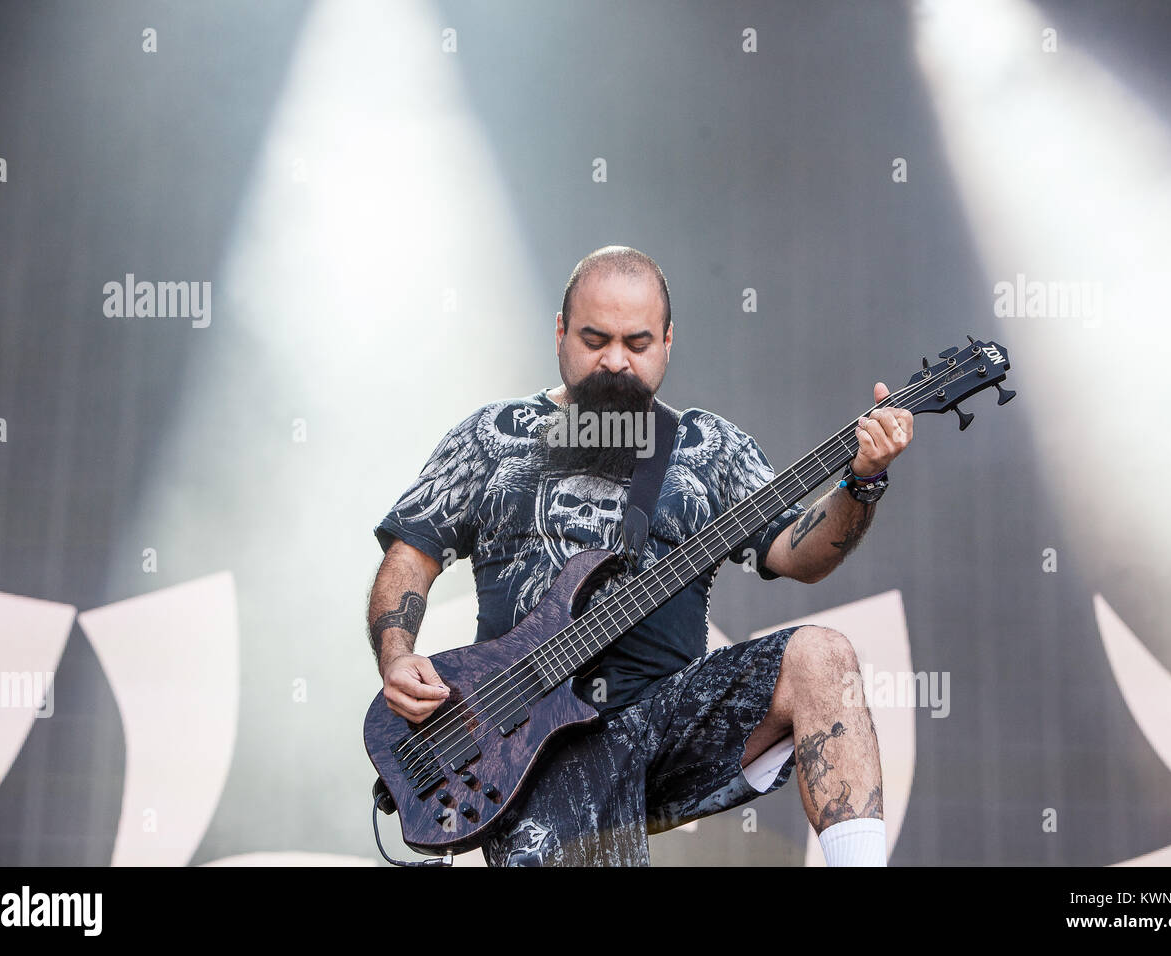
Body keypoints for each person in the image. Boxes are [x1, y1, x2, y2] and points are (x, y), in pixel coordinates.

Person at [367, 245, 913, 866]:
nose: (615, 361)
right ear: (559, 332)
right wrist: (398, 654)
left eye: (637, 342)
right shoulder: (492, 437)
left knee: (823, 656)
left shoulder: (707, 447)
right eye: (595, 339)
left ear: (669, 341)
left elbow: (800, 554)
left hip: (667, 718)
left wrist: (861, 482)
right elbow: (409, 559)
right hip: (525, 740)